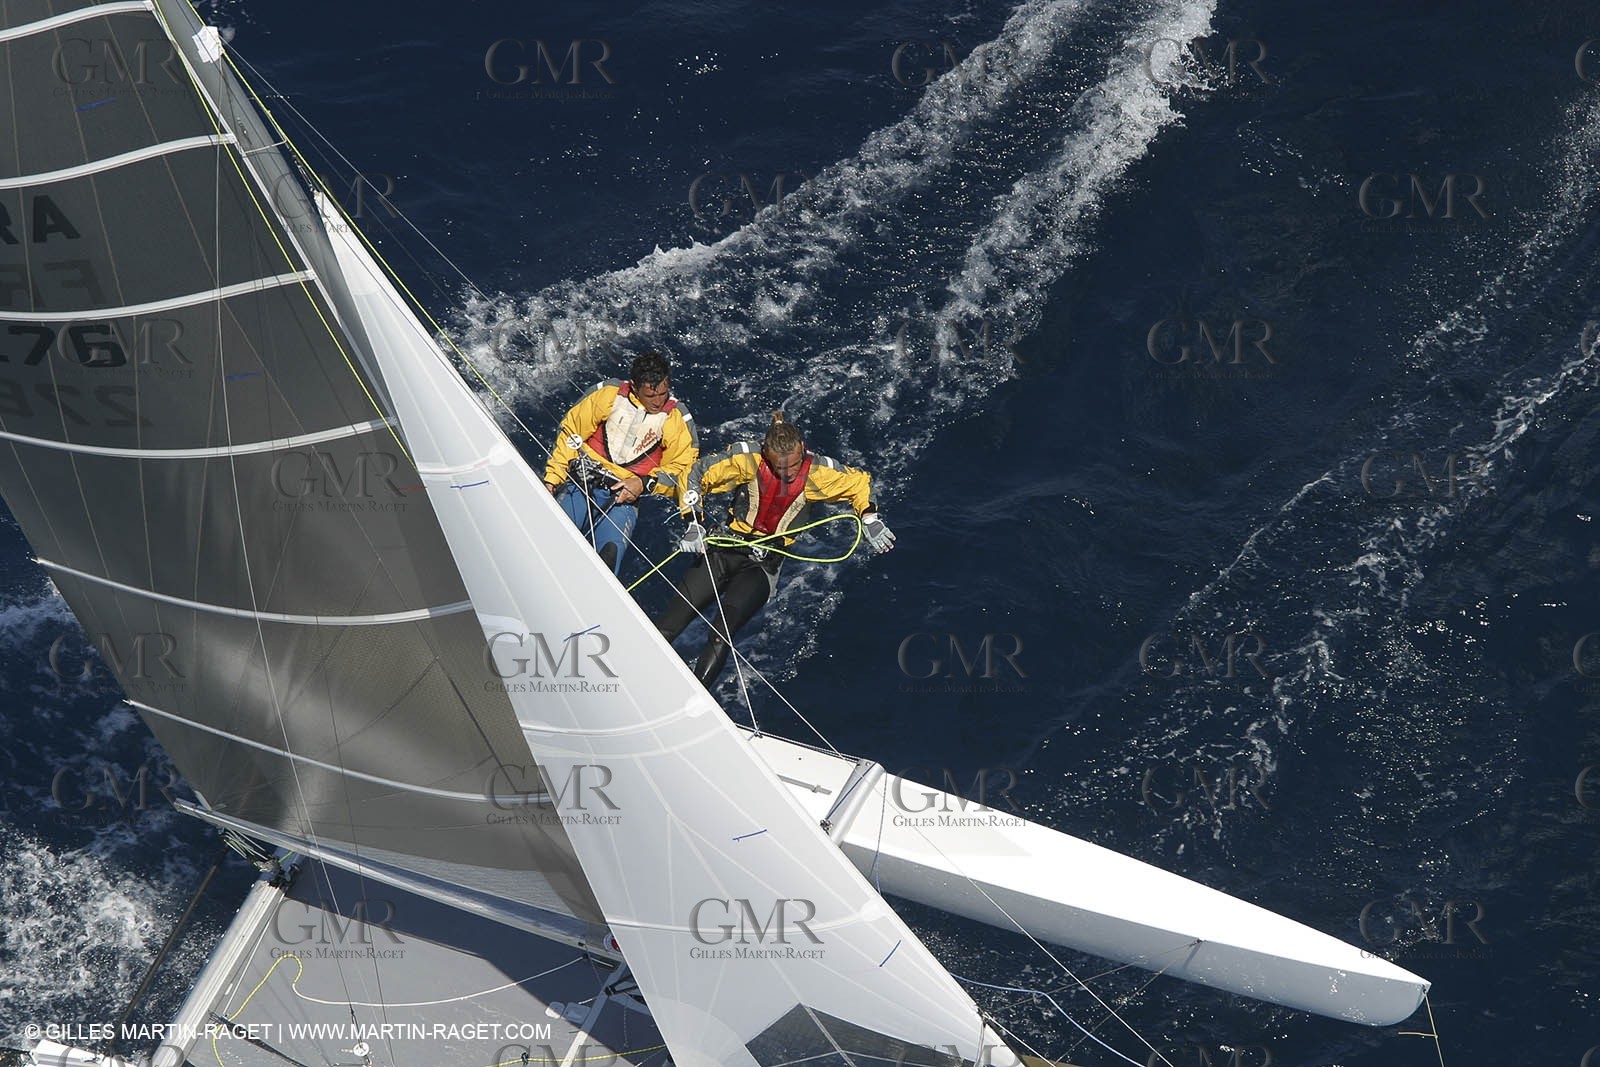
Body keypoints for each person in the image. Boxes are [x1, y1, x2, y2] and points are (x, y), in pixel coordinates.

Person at [654, 411, 895, 686]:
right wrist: (693, 522)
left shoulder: (818, 472)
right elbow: (695, 474)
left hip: (761, 565)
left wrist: (870, 519)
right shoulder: (747, 459)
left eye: (793, 467)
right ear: (767, 454)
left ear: (802, 450)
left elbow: (860, 483)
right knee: (668, 625)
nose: (787, 474)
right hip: (724, 549)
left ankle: (694, 698)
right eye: (780, 468)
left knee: (721, 634)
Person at [544, 351, 699, 574]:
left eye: (663, 394)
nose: (658, 402)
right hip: (580, 485)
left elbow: (682, 472)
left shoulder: (678, 419)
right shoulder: (608, 394)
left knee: (607, 560)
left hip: (623, 502)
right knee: (550, 538)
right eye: (650, 396)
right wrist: (551, 480)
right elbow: (571, 433)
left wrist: (643, 484)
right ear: (635, 387)